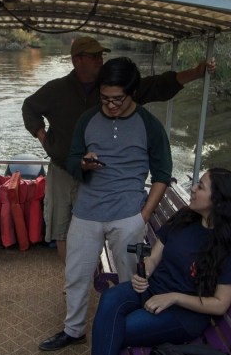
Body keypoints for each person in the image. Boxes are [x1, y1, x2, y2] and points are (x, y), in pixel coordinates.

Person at [60, 167, 231, 355]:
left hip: (185, 314)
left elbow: (219, 304)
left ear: (219, 200)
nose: (194, 189)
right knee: (111, 298)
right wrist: (142, 276)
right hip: (153, 290)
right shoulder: (185, 219)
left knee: (122, 328)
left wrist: (174, 297)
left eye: (201, 186)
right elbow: (154, 258)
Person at [22, 36, 215, 263]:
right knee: (62, 227)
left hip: (99, 177)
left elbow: (157, 86)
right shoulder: (56, 89)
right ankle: (70, 274)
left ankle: (94, 272)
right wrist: (45, 139)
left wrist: (194, 73)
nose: (100, 60)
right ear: (77, 60)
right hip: (63, 170)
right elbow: (29, 108)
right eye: (94, 56)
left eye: (101, 55)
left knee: (92, 226)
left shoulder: (116, 88)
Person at [39, 57, 173, 351]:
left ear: (132, 92)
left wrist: (143, 215)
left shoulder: (149, 125)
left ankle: (126, 331)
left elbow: (163, 174)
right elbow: (72, 159)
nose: (110, 105)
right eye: (104, 99)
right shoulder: (87, 119)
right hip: (86, 212)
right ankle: (74, 330)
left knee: (128, 281)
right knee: (75, 275)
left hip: (128, 215)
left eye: (117, 99)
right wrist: (83, 164)